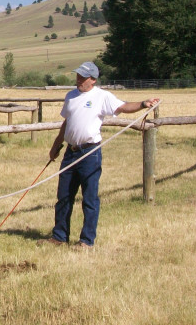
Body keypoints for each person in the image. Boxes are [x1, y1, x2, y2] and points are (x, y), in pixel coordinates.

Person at [41, 62, 159, 249]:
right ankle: (59, 236)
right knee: (64, 196)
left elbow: (123, 107)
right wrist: (56, 145)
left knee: (89, 198)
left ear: (93, 79)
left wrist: (144, 104)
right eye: (78, 76)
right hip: (70, 153)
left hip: (90, 153)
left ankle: (86, 240)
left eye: (82, 77)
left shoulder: (102, 96)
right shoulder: (70, 96)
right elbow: (67, 123)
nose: (78, 80)